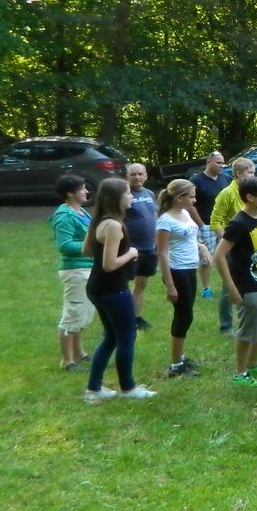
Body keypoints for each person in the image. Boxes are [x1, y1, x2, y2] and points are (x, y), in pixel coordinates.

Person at [82, 178, 156, 403]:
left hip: (97, 287)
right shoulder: (113, 225)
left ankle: (94, 389)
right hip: (113, 289)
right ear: (116, 198)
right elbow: (109, 264)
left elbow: (86, 250)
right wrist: (131, 253)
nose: (131, 196)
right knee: (126, 336)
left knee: (111, 336)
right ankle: (128, 387)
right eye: (128, 193)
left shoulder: (100, 220)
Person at [212, 176, 257, 387]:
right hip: (246, 284)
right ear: (250, 197)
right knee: (248, 330)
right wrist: (232, 288)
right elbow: (219, 255)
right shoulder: (238, 223)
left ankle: (252, 363)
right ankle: (240, 374)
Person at [155, 178, 211, 378]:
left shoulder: (185, 213)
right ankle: (176, 365)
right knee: (184, 316)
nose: (194, 200)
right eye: (192, 197)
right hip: (176, 272)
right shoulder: (165, 221)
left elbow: (189, 238)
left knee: (186, 314)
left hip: (189, 269)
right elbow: (162, 254)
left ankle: (180, 357)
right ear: (179, 198)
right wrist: (170, 285)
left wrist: (201, 246)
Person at [49, 175, 94, 371]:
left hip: (88, 268)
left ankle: (79, 352)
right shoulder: (65, 216)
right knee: (72, 315)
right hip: (76, 271)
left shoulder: (82, 212)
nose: (86, 191)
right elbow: (65, 245)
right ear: (70, 193)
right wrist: (93, 245)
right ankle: (67, 361)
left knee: (82, 314)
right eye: (82, 188)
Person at [210, 157, 256, 334]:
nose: (253, 176)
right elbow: (216, 221)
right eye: (250, 173)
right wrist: (227, 241)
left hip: (249, 244)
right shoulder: (227, 194)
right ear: (238, 174)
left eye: (254, 173)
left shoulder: (250, 192)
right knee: (228, 283)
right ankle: (226, 325)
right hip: (232, 245)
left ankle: (249, 318)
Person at [189, 151, 229, 299]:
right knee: (205, 259)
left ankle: (227, 284)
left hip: (224, 224)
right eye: (218, 163)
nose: (221, 166)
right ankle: (206, 289)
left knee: (226, 255)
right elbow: (190, 205)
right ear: (208, 162)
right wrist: (201, 224)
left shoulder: (225, 178)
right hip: (205, 225)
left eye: (223, 163)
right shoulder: (196, 180)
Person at [125, 163, 158, 331]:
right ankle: (119, 319)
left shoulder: (150, 194)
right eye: (133, 174)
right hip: (130, 249)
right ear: (127, 176)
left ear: (146, 176)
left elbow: (154, 215)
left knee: (141, 284)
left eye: (140, 174)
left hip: (149, 247)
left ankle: (136, 318)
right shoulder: (123, 195)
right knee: (121, 286)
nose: (137, 177)